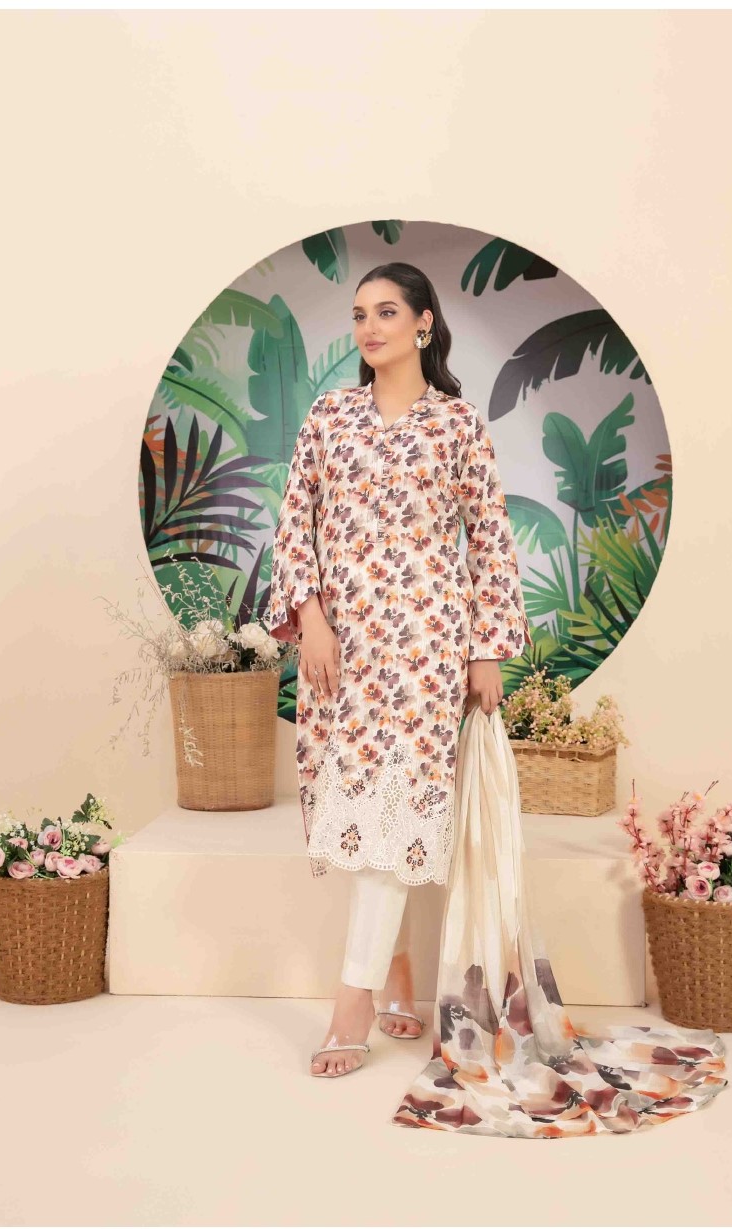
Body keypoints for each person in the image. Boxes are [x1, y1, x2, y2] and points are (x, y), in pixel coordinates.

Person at [265, 262, 532, 1077]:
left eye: (386, 312)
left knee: (394, 812)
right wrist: (311, 619)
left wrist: (486, 649)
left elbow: (490, 539)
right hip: (343, 649)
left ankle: (353, 1000)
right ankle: (400, 970)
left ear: (424, 323)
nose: (369, 328)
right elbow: (295, 522)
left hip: (425, 649)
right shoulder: (330, 416)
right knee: (361, 805)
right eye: (358, 315)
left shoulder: (457, 425)